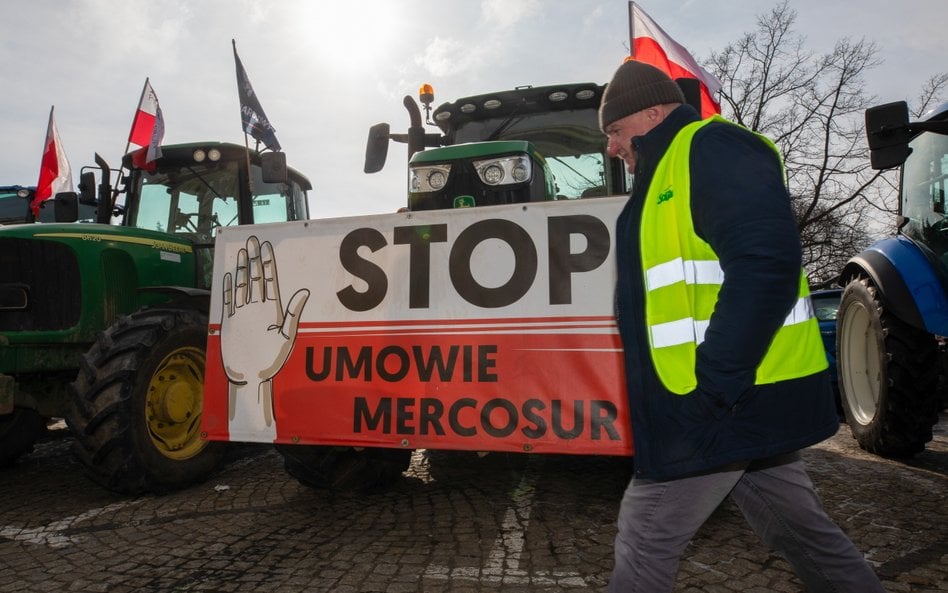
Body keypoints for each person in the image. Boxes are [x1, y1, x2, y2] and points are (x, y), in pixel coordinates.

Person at [600, 59, 885, 593]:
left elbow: (765, 266)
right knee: (800, 532)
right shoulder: (663, 173)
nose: (612, 147)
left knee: (644, 539)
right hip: (741, 401)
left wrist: (714, 384)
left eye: (615, 130)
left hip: (721, 402)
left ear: (653, 112)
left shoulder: (710, 147)